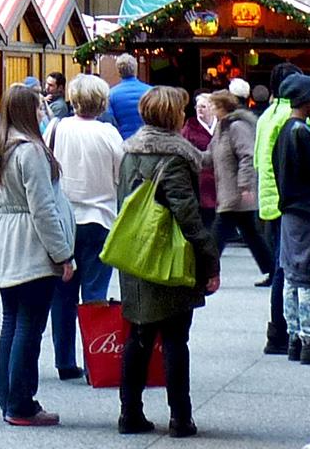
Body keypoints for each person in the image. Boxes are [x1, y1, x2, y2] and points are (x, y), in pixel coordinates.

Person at [114, 85, 218, 439]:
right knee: (175, 337)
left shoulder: (129, 153)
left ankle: (130, 413)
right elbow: (187, 215)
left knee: (138, 335)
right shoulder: (176, 157)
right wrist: (209, 260)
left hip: (134, 253)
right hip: (168, 256)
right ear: (173, 115)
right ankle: (180, 417)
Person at [0, 83, 77, 428]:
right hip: (31, 243)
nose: (42, 113)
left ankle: (7, 396)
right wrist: (63, 253)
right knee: (29, 325)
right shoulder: (31, 151)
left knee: (11, 321)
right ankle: (21, 402)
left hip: (4, 237)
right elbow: (43, 208)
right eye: (37, 108)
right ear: (26, 111)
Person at [46, 73, 122, 381]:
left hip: (64, 218)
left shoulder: (57, 128)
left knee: (62, 294)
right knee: (95, 293)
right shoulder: (109, 134)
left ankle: (65, 360)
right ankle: (96, 361)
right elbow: (121, 174)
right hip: (101, 217)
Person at [271, 74, 310, 365]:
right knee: (308, 276)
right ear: (306, 98)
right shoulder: (302, 134)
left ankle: (296, 336)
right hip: (309, 214)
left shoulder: (285, 130)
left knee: (292, 276)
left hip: (290, 213)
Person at [252, 61, 303, 348]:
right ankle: (281, 330)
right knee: (287, 269)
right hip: (287, 200)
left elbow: (260, 160)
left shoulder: (267, 115)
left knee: (279, 267)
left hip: (268, 199)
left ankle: (278, 329)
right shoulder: (291, 116)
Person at [206, 90, 274, 279]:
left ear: (222, 107)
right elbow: (209, 156)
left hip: (235, 194)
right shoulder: (222, 129)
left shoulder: (236, 127)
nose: (211, 110)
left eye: (213, 106)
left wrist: (245, 185)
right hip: (230, 192)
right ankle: (273, 270)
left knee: (217, 236)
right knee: (252, 235)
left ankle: (205, 272)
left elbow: (247, 156)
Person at [180, 92, 216, 216]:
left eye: (203, 107)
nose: (199, 110)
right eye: (197, 107)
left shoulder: (223, 126)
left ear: (213, 108)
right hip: (201, 180)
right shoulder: (189, 128)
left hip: (222, 180)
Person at [106, 54, 148, 138]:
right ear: (135, 69)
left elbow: (110, 122)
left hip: (123, 141)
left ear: (118, 72)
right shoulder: (150, 92)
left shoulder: (111, 94)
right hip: (145, 139)